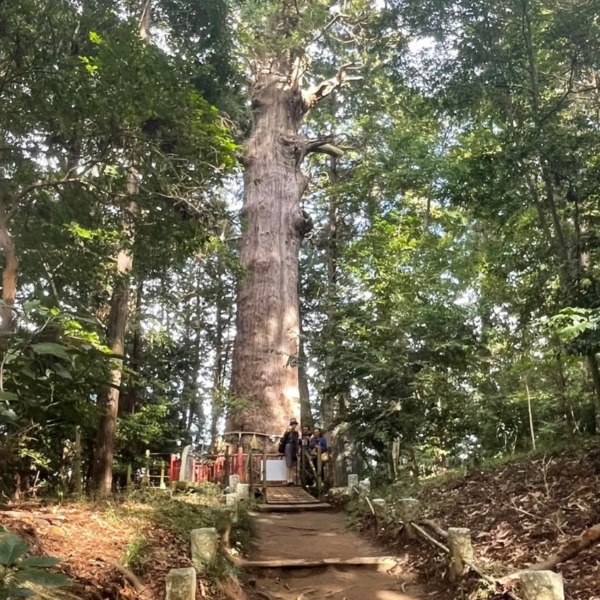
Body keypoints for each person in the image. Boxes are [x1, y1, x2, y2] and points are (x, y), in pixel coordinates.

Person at [279, 418, 300, 485]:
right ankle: (288, 480)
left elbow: (297, 442)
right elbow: (283, 440)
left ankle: (292, 480)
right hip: (288, 447)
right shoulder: (287, 432)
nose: (294, 425)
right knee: (288, 464)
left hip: (294, 448)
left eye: (295, 424)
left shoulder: (296, 433)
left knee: (293, 464)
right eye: (293, 424)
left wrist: (297, 450)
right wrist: (286, 433)